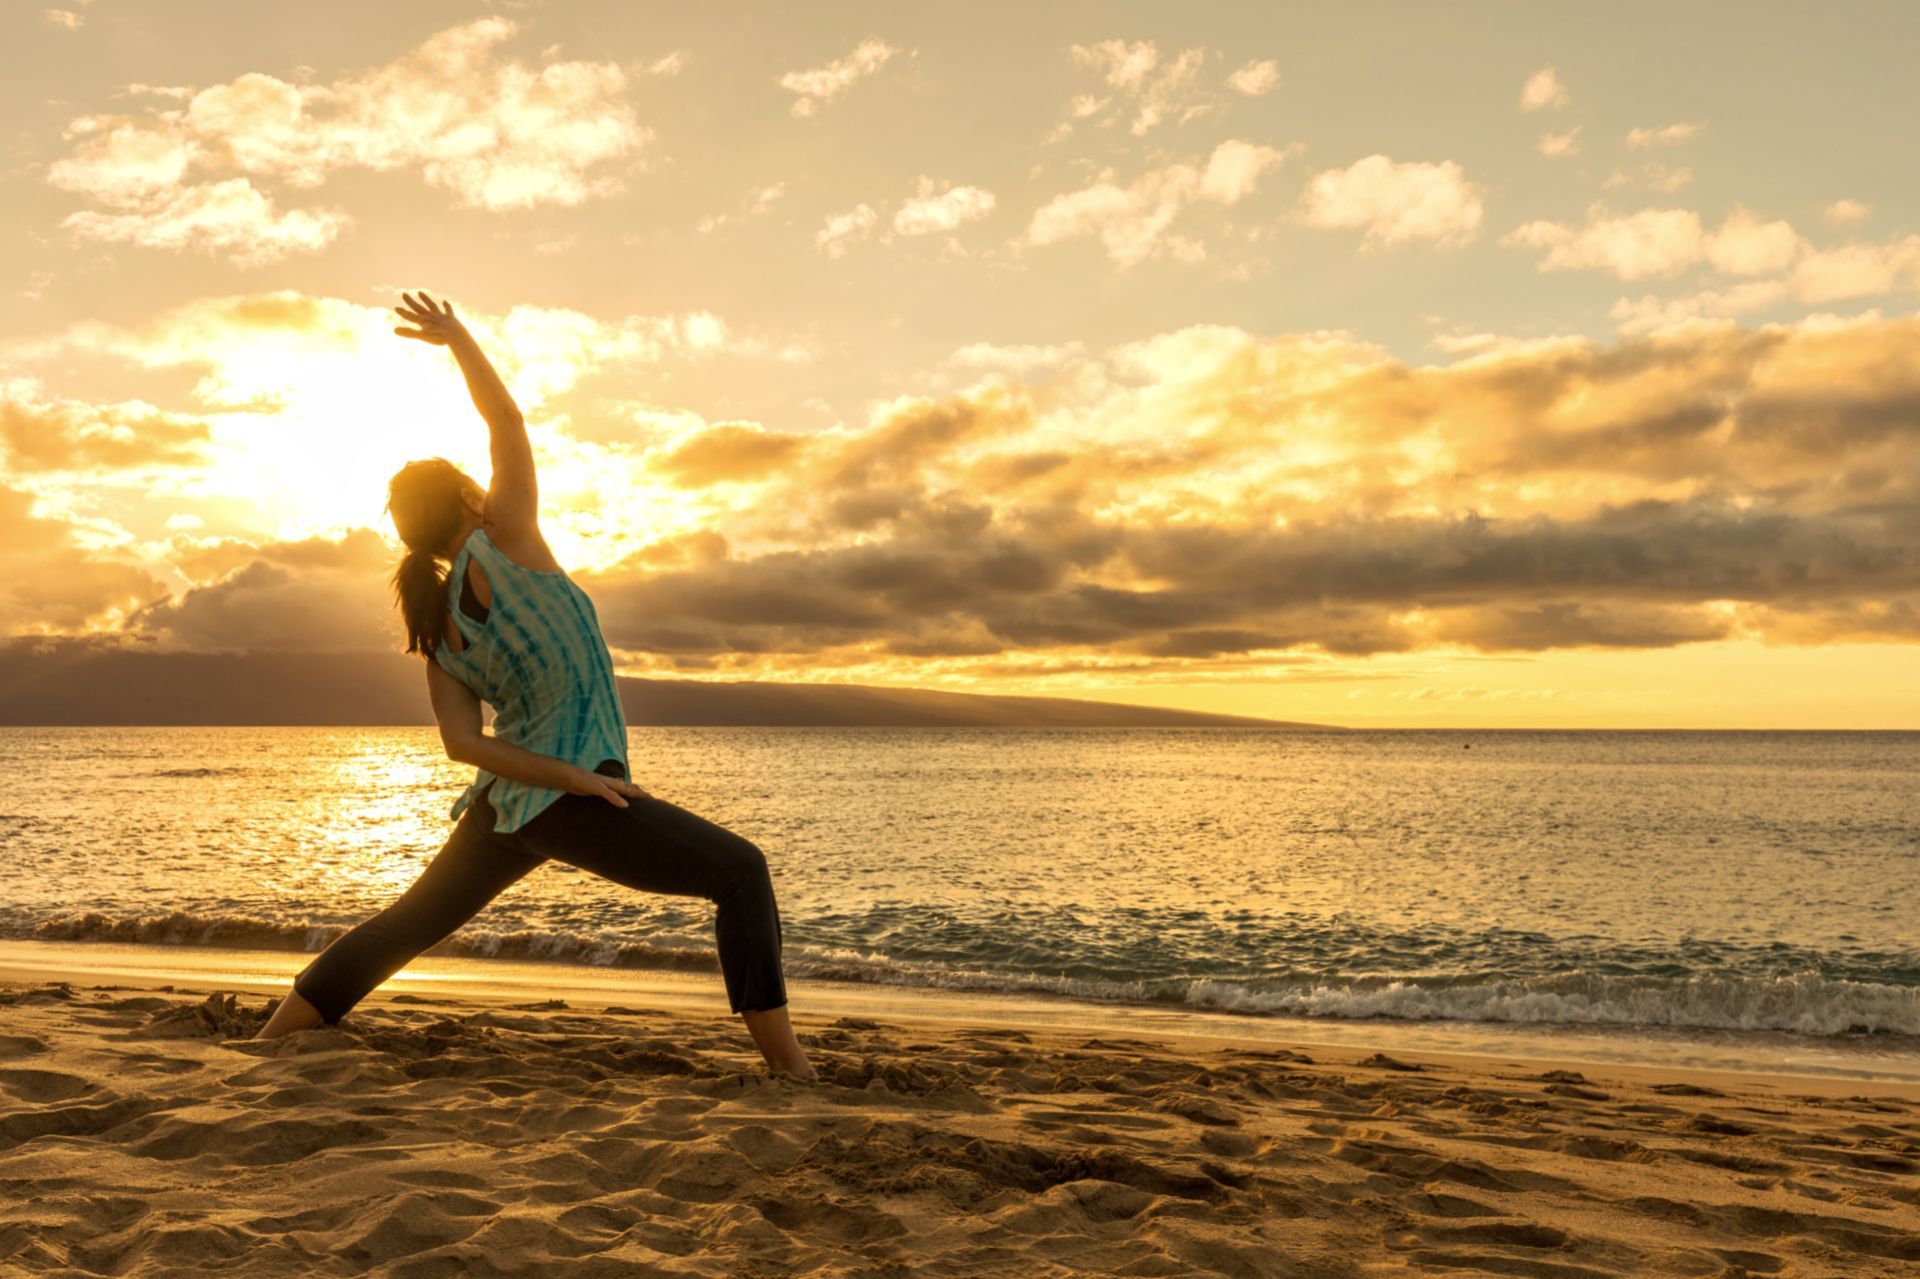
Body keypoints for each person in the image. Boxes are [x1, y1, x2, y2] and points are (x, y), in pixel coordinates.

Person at [254, 291, 817, 1081]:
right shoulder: (505, 539)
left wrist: (556, 780)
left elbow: (464, 746)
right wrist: (457, 340)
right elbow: (508, 424)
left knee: (409, 923)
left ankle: (272, 1038)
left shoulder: (438, 626)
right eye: (471, 485)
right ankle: (790, 1067)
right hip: (564, 795)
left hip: (505, 806)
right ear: (465, 499)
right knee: (740, 872)